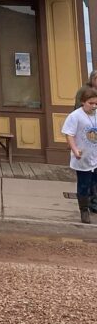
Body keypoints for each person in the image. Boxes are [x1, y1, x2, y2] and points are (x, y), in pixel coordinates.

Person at [61, 85, 97, 223]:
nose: (93, 106)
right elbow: (69, 134)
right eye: (90, 103)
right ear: (83, 102)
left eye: (96, 103)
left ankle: (93, 204)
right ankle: (84, 210)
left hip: (95, 155)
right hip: (82, 157)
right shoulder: (75, 116)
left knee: (94, 183)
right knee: (84, 184)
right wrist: (75, 149)